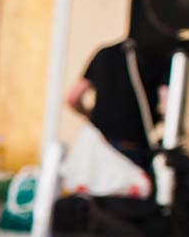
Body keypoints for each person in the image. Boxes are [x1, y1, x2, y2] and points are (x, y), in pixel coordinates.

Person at [66, 39, 171, 176]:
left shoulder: (104, 54)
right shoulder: (158, 57)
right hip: (131, 149)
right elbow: (169, 106)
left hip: (99, 146)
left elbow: (72, 99)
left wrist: (89, 114)